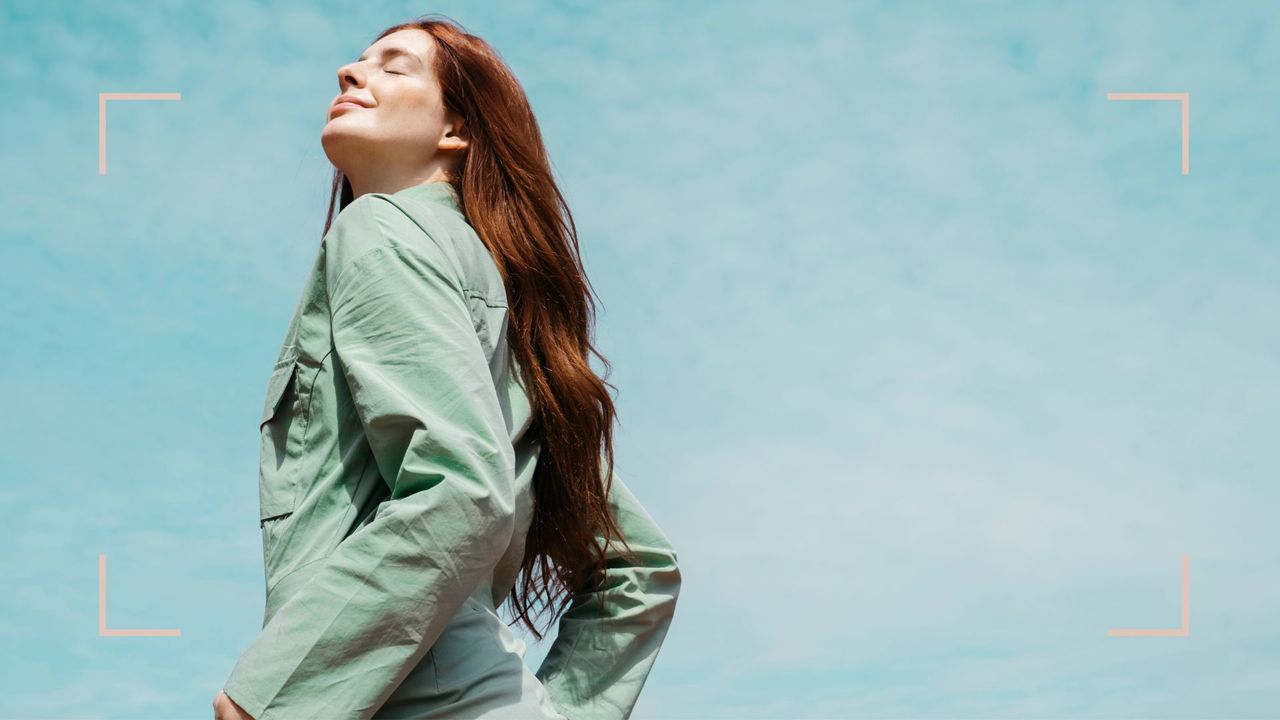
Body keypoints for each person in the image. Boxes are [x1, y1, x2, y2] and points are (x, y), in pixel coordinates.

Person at [212, 15, 682, 720]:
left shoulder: (378, 231)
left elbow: (463, 489)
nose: (349, 71)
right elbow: (639, 570)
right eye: (358, 60)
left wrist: (276, 698)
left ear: (455, 129)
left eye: (393, 65)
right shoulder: (514, 330)